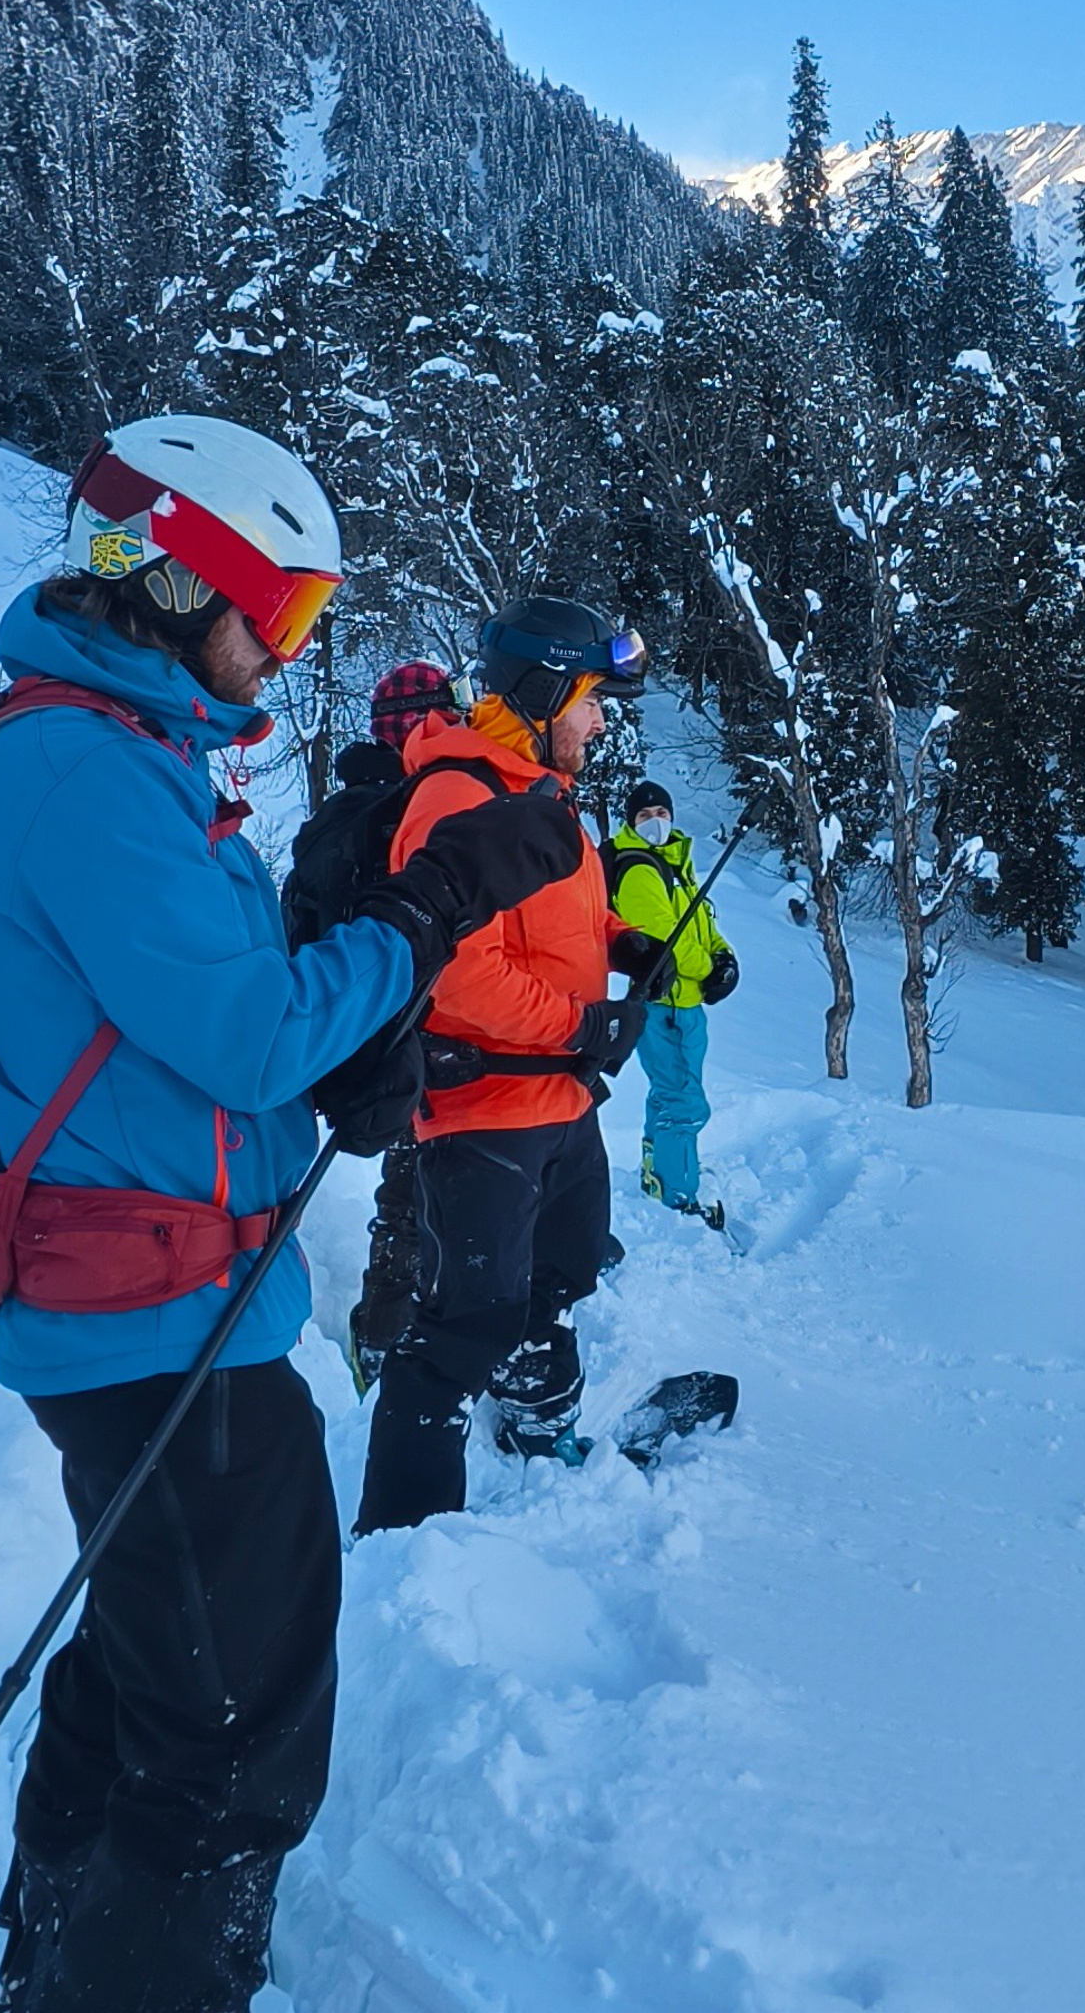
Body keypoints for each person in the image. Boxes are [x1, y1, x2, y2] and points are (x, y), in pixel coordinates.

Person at [0, 418, 583, 2013]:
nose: (283, 654)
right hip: (158, 1333)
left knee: (155, 1661)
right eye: (277, 612)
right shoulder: (86, 775)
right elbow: (245, 1032)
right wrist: (416, 926)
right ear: (175, 582)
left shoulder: (111, 757)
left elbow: (197, 1044)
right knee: (235, 1741)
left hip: (158, 1308)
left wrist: (334, 1059)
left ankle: (53, 1956)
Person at [353, 594, 665, 1534]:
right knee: (456, 1334)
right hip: (486, 1112)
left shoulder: (540, 793)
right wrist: (580, 1025)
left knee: (562, 1276)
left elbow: (557, 917)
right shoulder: (457, 796)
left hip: (562, 1105)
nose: (602, 719)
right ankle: (404, 1540)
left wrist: (626, 943)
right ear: (540, 691)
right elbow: (457, 976)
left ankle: (537, 1425)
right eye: (591, 699)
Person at [338, 661, 463, 1380]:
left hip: (405, 1028)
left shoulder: (367, 799)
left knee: (415, 1195)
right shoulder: (402, 805)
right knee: (414, 1198)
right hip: (415, 1030)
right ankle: (385, 1336)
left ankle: (389, 1331)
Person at [604, 777, 739, 1225]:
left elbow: (699, 919)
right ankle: (678, 1198)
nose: (656, 822)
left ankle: (659, 1173)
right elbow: (667, 937)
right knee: (683, 1102)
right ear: (631, 822)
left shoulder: (673, 864)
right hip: (665, 1005)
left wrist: (723, 956)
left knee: (669, 1095)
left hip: (682, 1004)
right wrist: (707, 969)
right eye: (645, 816)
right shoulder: (641, 868)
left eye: (662, 814)